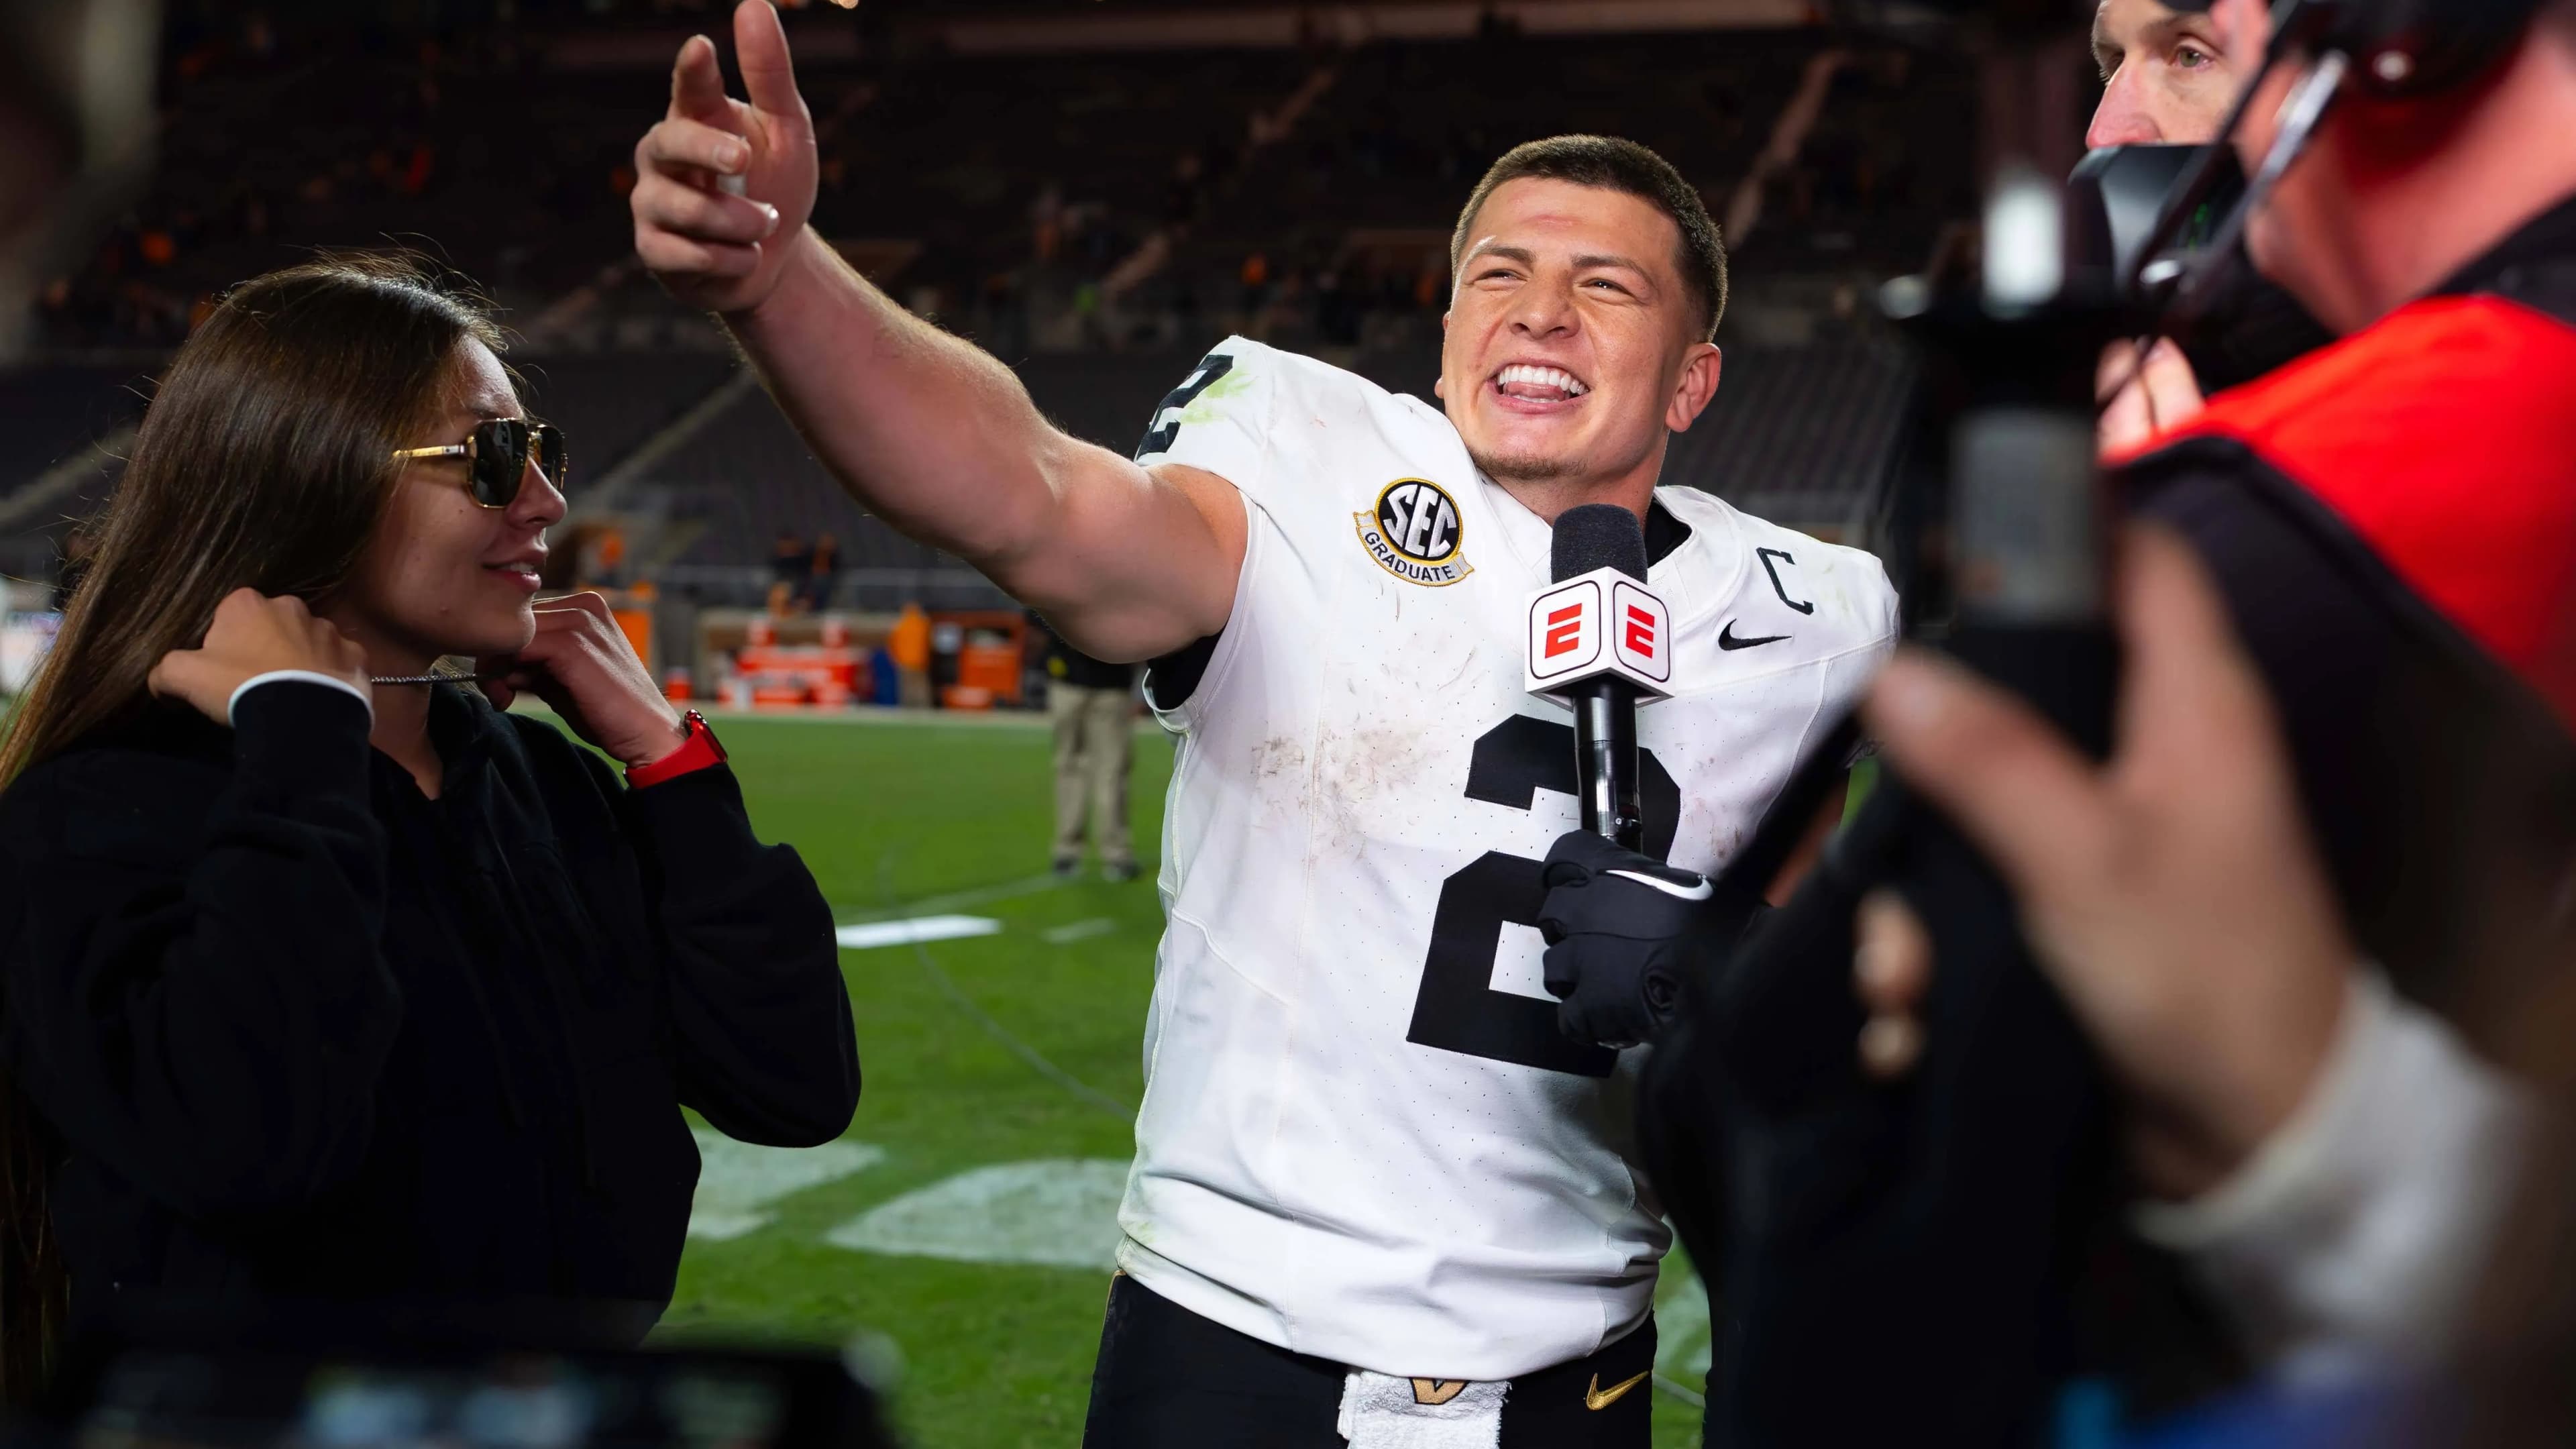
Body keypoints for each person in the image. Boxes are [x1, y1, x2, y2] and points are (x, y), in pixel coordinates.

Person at [627, 6, 1895, 1442]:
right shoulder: (1309, 461)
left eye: (1605, 286)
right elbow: (1032, 496)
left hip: (1576, 1373)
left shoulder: (1809, 618)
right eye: (1501, 273)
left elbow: (1874, 1001)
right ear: (1448, 332)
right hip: (1237, 1350)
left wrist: (1722, 964)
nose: (1541, 311)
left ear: (1692, 380)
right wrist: (782, 280)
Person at [0, 258, 860, 1375]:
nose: (546, 502)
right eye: (491, 458)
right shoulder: (99, 810)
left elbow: (795, 1085)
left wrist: (671, 760)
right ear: (311, 477)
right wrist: (304, 740)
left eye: (541, 452)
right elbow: (248, 1147)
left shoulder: (546, 787)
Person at [1033, 612, 1141, 883]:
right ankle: (1113, 853)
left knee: (1076, 768)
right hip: (1104, 680)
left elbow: (1034, 615)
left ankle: (1071, 851)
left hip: (1080, 680)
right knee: (1108, 771)